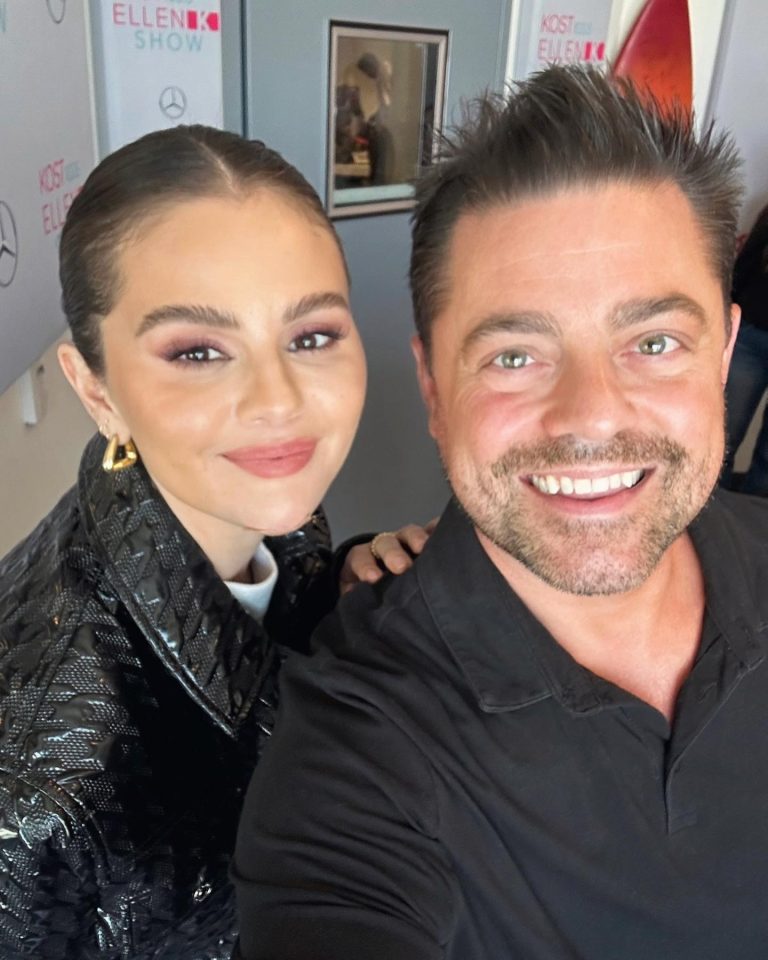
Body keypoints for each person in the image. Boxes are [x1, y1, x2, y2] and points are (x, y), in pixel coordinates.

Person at [232, 66, 768, 959]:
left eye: (655, 342)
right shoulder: (359, 753)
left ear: (722, 358)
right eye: (515, 356)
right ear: (434, 391)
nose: (592, 416)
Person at [0, 125, 426, 960]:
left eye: (311, 337)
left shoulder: (258, 503)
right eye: (198, 351)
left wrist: (341, 588)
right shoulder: (35, 780)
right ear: (96, 390)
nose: (278, 400)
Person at [721, 203, 768, 494]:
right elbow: (745, 265)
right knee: (724, 436)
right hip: (750, 336)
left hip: (749, 334)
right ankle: (713, 512)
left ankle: (756, 515)